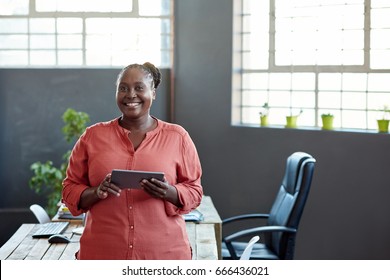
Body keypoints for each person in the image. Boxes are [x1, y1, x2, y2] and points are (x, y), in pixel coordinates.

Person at [62, 62, 203, 260]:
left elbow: (195, 191)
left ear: (153, 93)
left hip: (164, 255)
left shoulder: (178, 137)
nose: (131, 95)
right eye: (123, 88)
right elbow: (69, 189)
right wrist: (96, 192)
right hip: (102, 255)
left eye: (139, 88)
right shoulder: (92, 137)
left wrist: (170, 192)